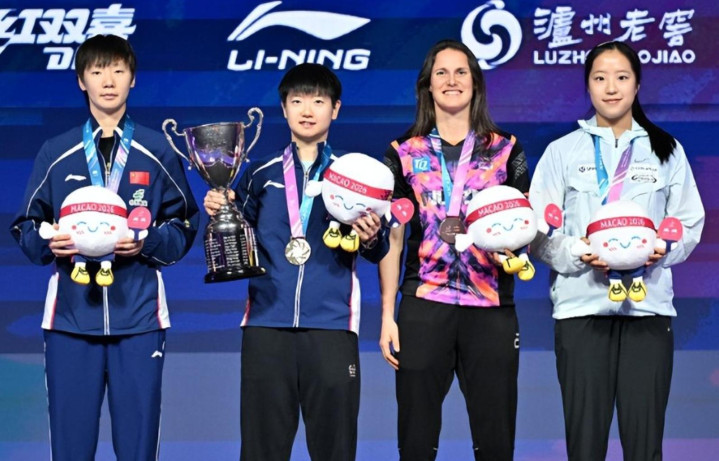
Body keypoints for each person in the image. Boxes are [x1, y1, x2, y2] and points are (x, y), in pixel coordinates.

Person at [9, 34, 199, 461]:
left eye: (118, 70)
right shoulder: (57, 152)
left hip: (140, 318)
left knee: (138, 448)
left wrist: (146, 242)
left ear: (133, 78)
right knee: (71, 448)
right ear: (82, 81)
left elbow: (185, 222)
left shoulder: (156, 150)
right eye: (97, 71)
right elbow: (26, 226)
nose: (108, 81)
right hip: (70, 320)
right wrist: (50, 242)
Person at [528, 41, 705, 461]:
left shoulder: (666, 150)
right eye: (600, 78)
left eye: (622, 77)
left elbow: (689, 222)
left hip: (648, 310)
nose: (611, 88)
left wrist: (660, 250)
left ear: (637, 84)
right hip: (581, 310)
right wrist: (578, 251)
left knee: (645, 446)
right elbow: (538, 232)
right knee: (584, 446)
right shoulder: (562, 152)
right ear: (587, 85)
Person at [203, 63, 388, 461]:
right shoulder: (259, 173)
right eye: (297, 100)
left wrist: (372, 237)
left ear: (335, 109)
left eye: (318, 101)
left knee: (335, 450)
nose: (307, 110)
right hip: (266, 325)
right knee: (261, 451)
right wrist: (221, 209)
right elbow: (238, 239)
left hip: (332, 326)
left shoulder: (354, 175)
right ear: (284, 108)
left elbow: (378, 250)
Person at [378, 39, 529, 461]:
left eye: (461, 72)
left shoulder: (505, 149)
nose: (451, 80)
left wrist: (515, 248)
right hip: (424, 305)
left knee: (496, 442)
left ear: (475, 82)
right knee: (416, 442)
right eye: (441, 73)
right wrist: (388, 315)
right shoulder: (402, 153)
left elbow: (523, 223)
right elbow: (393, 238)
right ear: (427, 85)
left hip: (490, 306)